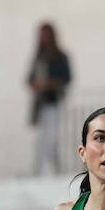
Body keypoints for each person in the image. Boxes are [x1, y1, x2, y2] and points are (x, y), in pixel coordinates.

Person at [26, 22, 71, 175]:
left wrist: (49, 83)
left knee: (51, 138)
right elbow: (29, 79)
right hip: (40, 104)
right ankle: (41, 170)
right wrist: (36, 84)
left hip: (54, 101)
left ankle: (53, 170)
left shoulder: (60, 56)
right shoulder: (39, 57)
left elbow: (66, 77)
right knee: (41, 138)